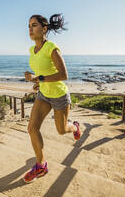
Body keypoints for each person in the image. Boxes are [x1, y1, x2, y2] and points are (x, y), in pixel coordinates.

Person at [23, 13, 81, 183]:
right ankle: (41, 165)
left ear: (44, 28)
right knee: (32, 128)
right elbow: (42, 73)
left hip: (59, 96)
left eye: (34, 25)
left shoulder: (52, 47)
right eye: (29, 26)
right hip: (43, 94)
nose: (30, 29)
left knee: (62, 130)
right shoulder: (31, 50)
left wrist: (38, 79)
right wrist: (37, 82)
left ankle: (75, 126)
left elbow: (63, 74)